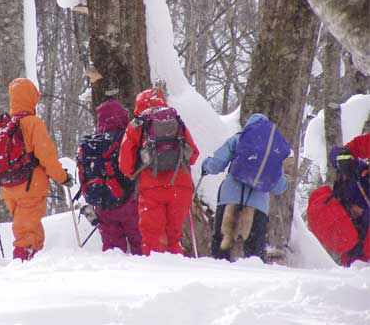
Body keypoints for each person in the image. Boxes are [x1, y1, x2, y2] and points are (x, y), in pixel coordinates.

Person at [0, 78, 73, 261]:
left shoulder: (5, 125)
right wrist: (63, 177)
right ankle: (24, 266)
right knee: (27, 233)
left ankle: (33, 262)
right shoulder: (32, 123)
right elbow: (47, 157)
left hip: (8, 187)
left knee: (27, 228)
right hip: (30, 186)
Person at [119, 89, 199, 256]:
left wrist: (138, 169)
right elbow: (193, 155)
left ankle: (157, 275)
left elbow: (125, 165)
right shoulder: (175, 120)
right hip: (180, 186)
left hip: (151, 188)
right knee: (173, 237)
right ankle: (178, 272)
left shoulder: (137, 125)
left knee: (153, 238)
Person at [202, 113, 289, 262]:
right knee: (255, 251)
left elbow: (216, 164)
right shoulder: (272, 151)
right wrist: (286, 180)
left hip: (230, 197)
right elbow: (279, 187)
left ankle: (217, 275)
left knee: (221, 245)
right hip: (258, 206)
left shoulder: (239, 139)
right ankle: (253, 280)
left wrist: (206, 165)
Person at [84, 99, 142, 255]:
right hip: (129, 201)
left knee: (112, 252)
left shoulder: (93, 144)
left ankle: (113, 276)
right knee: (140, 245)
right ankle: (145, 275)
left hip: (103, 205)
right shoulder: (127, 139)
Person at [329, 143, 369, 266]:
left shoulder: (363, 175)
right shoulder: (343, 178)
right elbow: (335, 152)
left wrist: (363, 213)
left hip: (364, 234)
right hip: (351, 233)